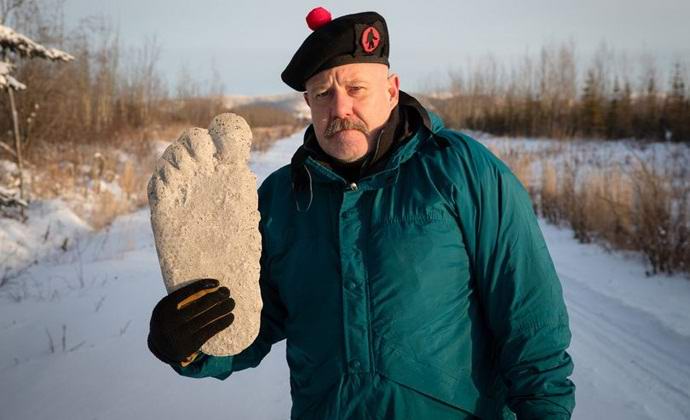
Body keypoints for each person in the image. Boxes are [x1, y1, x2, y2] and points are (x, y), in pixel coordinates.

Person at [148, 8, 576, 419]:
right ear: (309, 104)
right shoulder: (283, 199)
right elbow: (251, 326)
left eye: (356, 89)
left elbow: (532, 325)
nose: (340, 109)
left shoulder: (463, 172)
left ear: (391, 90)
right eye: (323, 94)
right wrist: (191, 342)